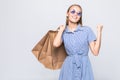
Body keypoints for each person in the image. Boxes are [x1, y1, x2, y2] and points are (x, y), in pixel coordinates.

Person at [53, 4, 103, 80]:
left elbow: (95, 52)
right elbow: (55, 44)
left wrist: (99, 32)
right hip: (69, 66)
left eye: (79, 13)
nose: (75, 14)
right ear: (67, 13)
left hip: (84, 65)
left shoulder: (86, 30)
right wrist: (61, 31)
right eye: (73, 11)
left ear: (80, 16)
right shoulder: (63, 32)